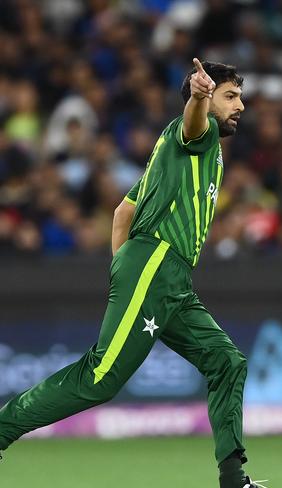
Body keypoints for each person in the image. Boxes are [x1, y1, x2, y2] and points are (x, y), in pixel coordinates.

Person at [0, 58, 267, 488]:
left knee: (226, 361)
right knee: (101, 378)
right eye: (230, 96)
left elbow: (123, 212)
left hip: (166, 277)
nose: (240, 106)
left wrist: (122, 270)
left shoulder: (176, 156)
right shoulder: (199, 134)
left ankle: (234, 478)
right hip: (156, 263)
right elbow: (194, 124)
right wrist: (199, 98)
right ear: (203, 97)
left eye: (241, 97)